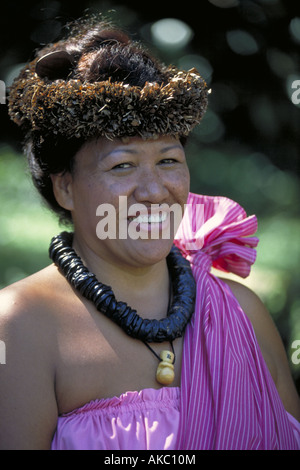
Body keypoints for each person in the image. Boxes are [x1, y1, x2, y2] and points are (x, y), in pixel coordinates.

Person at [1, 16, 299, 450]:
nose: (154, 191)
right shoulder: (20, 326)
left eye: (168, 161)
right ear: (65, 186)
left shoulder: (242, 312)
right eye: (122, 165)